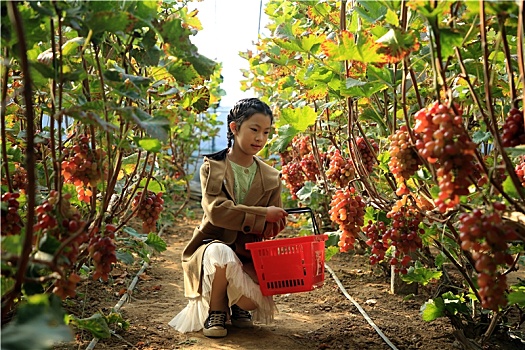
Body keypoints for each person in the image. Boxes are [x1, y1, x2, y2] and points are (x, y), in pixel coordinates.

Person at [168, 97, 288, 338]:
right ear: (234, 128)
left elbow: (274, 226)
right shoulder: (213, 167)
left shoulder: (271, 176)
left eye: (266, 132)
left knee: (251, 303)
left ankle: (236, 307)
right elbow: (216, 211)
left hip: (248, 256)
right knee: (220, 252)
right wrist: (264, 214)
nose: (260, 139)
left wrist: (273, 224)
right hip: (210, 247)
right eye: (254, 130)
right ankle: (216, 311)